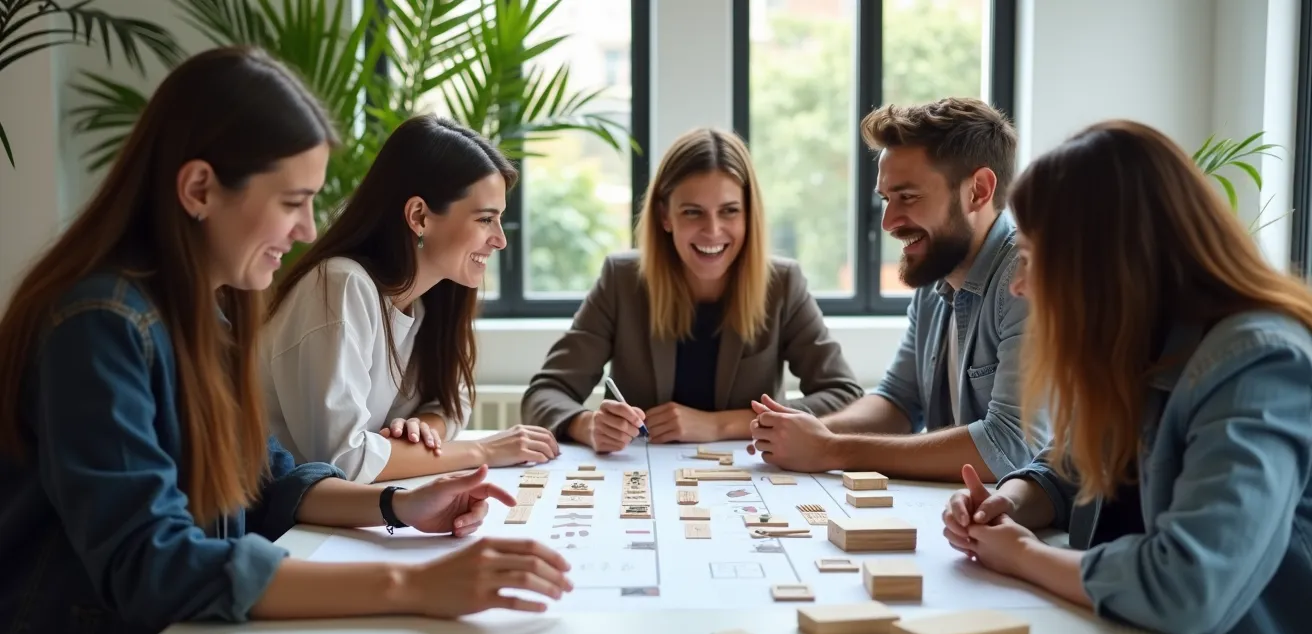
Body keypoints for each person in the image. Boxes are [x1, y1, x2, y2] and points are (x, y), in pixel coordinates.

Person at [0, 47, 571, 634]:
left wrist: (399, 507)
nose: (307, 230)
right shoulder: (100, 324)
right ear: (199, 189)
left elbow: (267, 477)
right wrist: (413, 585)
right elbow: (153, 561)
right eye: (292, 201)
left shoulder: (205, 315)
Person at [941, 120, 1312, 634]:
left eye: (1032, 258)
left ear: (1100, 263)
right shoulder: (1140, 343)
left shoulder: (1258, 362)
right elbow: (1072, 468)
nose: (1018, 285)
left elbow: (1186, 584)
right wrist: (1010, 501)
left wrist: (1021, 554)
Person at [748, 97, 1047, 481]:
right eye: (886, 199)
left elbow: (1010, 447)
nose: (888, 222)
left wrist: (829, 449)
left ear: (978, 191)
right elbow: (899, 401)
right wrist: (808, 432)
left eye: (908, 197)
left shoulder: (1028, 282)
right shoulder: (936, 275)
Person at [521, 128, 863, 453]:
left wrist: (720, 425)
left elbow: (845, 396)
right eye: (692, 212)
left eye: (729, 211)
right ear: (665, 216)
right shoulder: (621, 281)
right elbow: (544, 394)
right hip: (641, 475)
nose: (712, 230)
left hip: (747, 477)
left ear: (749, 215)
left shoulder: (782, 284)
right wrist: (586, 424)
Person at [263, 114, 559, 484]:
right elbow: (343, 460)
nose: (500, 240)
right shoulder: (342, 285)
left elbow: (454, 400)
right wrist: (483, 451)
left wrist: (423, 429)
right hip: (275, 513)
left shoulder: (428, 299)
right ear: (419, 216)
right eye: (485, 219)